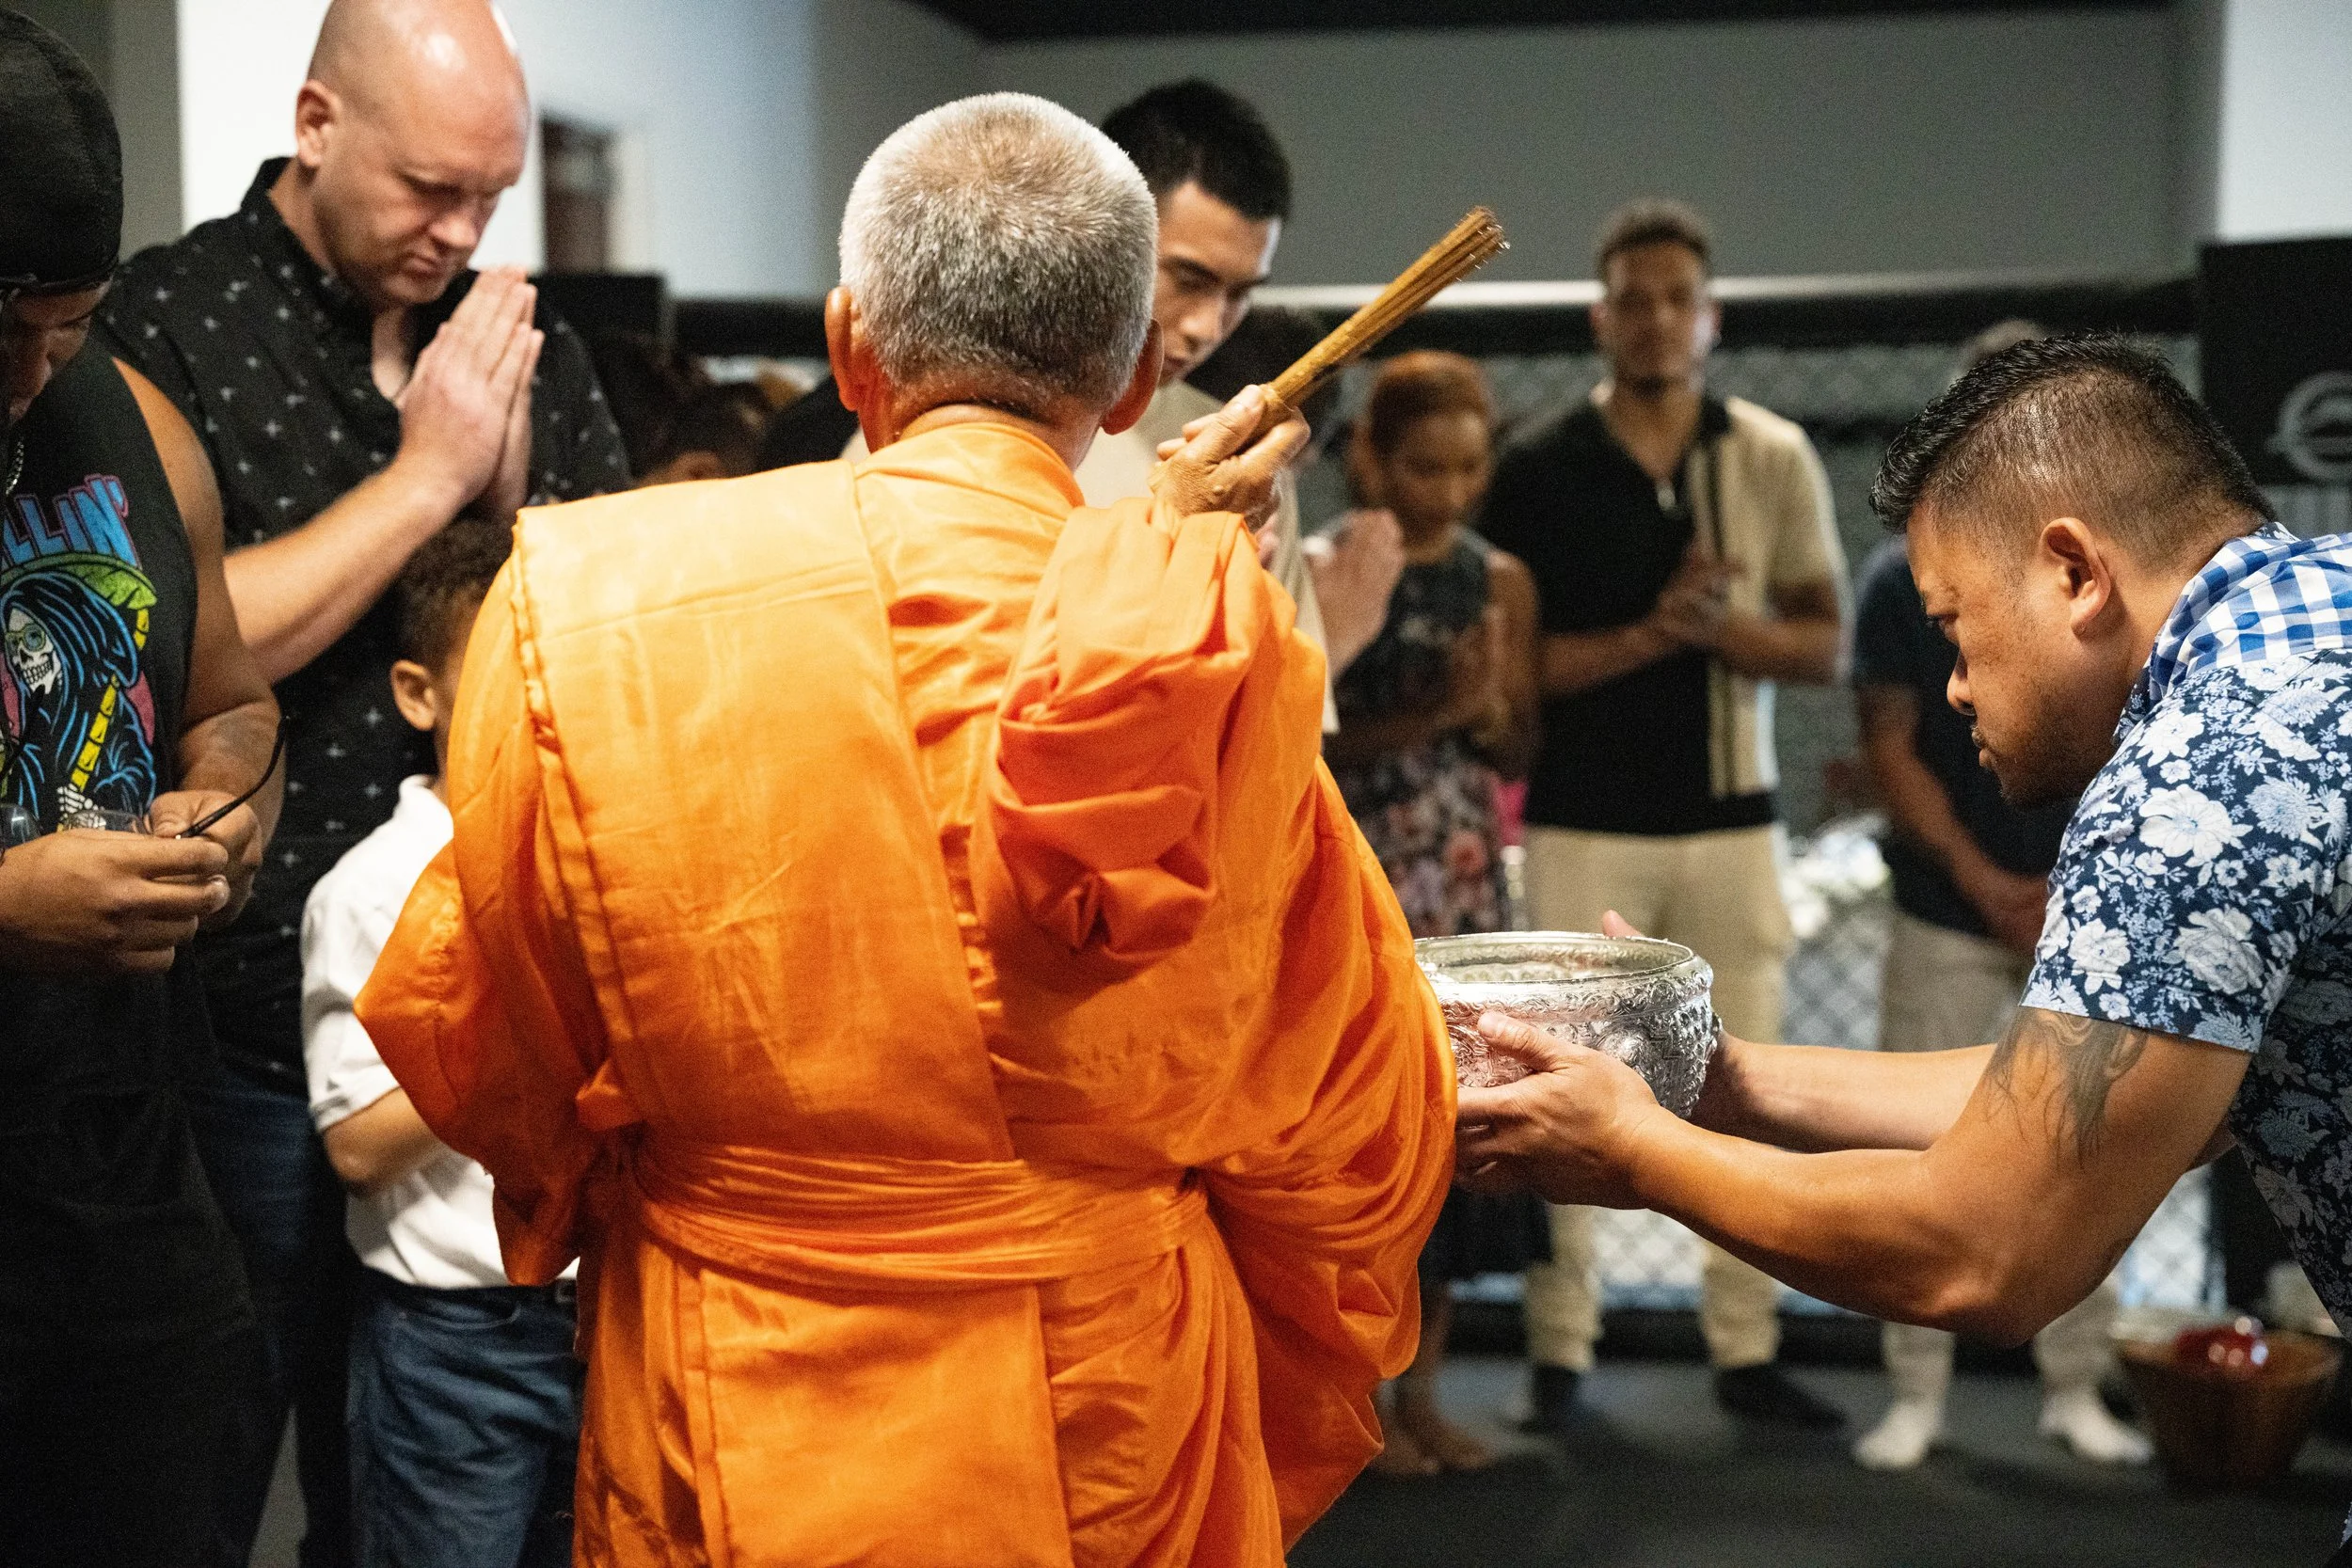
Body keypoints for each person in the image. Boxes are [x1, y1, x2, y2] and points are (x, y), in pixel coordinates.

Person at [357, 94, 1454, 1567]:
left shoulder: (586, 603)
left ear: (845, 341)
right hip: (1105, 1407)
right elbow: (1350, 1109)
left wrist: (683, 1174)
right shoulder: (1198, 644)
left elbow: (485, 1031)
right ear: (1136, 379)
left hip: (725, 1385)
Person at [1457, 337, 2352, 1504]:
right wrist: (1722, 1081)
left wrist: (1636, 1149)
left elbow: (1990, 1248)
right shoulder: (2317, 612)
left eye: (1956, 627)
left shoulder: (2201, 776)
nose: (1956, 684)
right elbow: (2078, 1092)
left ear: (2073, 572)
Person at [97, 2, 628, 1558]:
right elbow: (168, 640)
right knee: (203, 1459)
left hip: (486, 1020)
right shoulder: (164, 322)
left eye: (490, 196)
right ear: (317, 125)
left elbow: (609, 624)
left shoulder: (514, 333)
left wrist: (513, 499)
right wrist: (425, 482)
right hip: (243, 1017)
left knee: (426, 1496)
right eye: (428, 189)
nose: (459, 233)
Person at [1476, 198, 1851, 1432]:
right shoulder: (1536, 468)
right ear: (1600, 318)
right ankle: (1558, 1352)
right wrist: (1653, 632)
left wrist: (1716, 629)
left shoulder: (1770, 454)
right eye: (1632, 300)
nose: (1654, 320)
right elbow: (1514, 675)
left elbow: (1822, 642)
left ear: (1710, 316)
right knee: (1549, 1078)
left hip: (1733, 820)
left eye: (1676, 299)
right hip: (1583, 819)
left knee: (1749, 1083)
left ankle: (1747, 1347)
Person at [0, 14, 284, 1563]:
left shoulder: (127, 416)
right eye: (3, 329)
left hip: (124, 1171)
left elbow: (232, 701)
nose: (31, 377)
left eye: (69, 326)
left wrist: (222, 813)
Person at [1849, 324, 2149, 1471]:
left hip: (2086, 905)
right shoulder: (1901, 576)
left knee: (2092, 1140)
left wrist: (2078, 891)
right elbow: (1891, 747)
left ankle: (2076, 1385)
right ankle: (1913, 1394)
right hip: (1948, 903)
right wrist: (1986, 883)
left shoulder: (2112, 574)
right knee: (1913, 1149)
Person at [303, 517, 580, 1568]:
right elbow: (358, 1146)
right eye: (505, 665)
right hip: (456, 1339)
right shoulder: (372, 888)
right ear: (421, 695)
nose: (541, 693)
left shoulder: (599, 853)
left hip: (602, 1312)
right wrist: (526, 1017)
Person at [1324, 351, 1540, 1475]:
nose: (1448, 491)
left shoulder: (1498, 578)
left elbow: (1518, 743)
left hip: (1458, 875)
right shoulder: (1326, 567)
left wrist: (1488, 711)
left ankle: (1426, 1394)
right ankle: (1351, 1401)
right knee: (1362, 1126)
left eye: (1467, 468)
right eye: (1424, 467)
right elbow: (1303, 739)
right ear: (1370, 456)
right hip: (1355, 867)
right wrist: (1439, 710)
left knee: (1458, 1118)